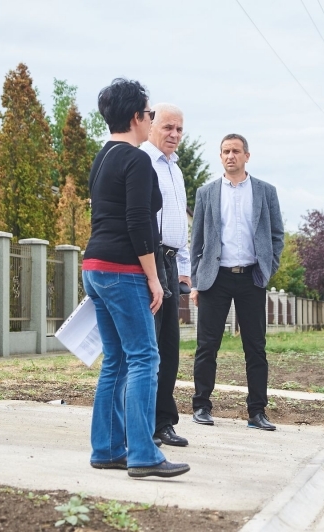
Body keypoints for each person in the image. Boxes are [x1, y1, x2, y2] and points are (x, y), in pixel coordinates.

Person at [82, 78, 189, 478]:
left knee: (117, 360)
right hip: (123, 270)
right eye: (148, 115)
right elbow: (139, 222)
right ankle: (144, 453)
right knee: (146, 357)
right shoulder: (137, 159)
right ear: (135, 117)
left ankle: (107, 448)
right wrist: (155, 278)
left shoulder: (103, 157)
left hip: (94, 267)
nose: (150, 120)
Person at [189, 134, 284, 431]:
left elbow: (276, 235)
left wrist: (268, 269)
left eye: (236, 151)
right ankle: (201, 406)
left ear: (247, 155)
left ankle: (257, 412)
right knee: (207, 346)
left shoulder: (265, 192)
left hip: (251, 278)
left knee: (255, 348)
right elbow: (198, 242)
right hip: (215, 279)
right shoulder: (206, 192)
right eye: (225, 151)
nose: (230, 156)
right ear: (220, 157)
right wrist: (195, 282)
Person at [139, 103, 190, 448]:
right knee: (148, 348)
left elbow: (179, 224)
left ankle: (163, 422)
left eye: (179, 130)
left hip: (171, 263)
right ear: (151, 124)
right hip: (148, 260)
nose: (173, 135)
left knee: (169, 347)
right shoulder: (141, 162)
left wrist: (184, 271)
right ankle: (141, 423)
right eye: (167, 127)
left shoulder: (175, 169)